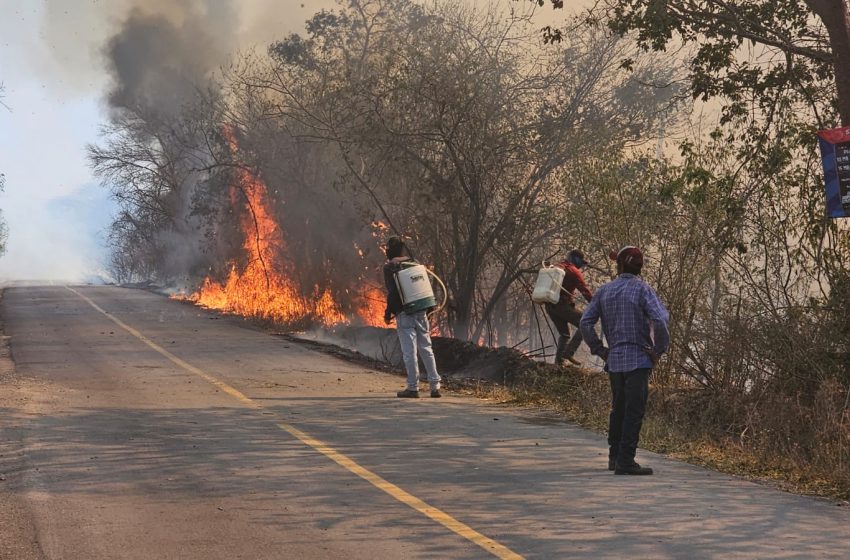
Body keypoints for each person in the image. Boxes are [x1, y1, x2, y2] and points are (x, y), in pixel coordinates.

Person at [579, 246, 669, 475]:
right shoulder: (643, 290)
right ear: (639, 267)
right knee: (633, 410)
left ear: (619, 266)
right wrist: (658, 351)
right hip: (638, 360)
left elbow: (585, 323)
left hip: (615, 360)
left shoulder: (605, 291)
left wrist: (600, 349)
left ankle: (614, 456)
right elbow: (659, 321)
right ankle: (626, 460)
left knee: (618, 408)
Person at [383, 236, 442, 398]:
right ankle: (435, 386)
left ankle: (412, 387)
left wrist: (388, 313)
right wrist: (430, 307)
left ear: (389, 250)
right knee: (426, 348)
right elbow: (424, 287)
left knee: (409, 351)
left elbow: (393, 293)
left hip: (404, 313)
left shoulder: (390, 267)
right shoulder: (415, 263)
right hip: (421, 310)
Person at [544, 249, 593, 366]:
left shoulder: (555, 266)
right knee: (585, 323)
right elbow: (585, 292)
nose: (581, 266)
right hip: (561, 305)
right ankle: (569, 352)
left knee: (565, 334)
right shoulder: (574, 271)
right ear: (575, 259)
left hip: (549, 306)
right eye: (581, 262)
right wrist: (597, 305)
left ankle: (559, 364)